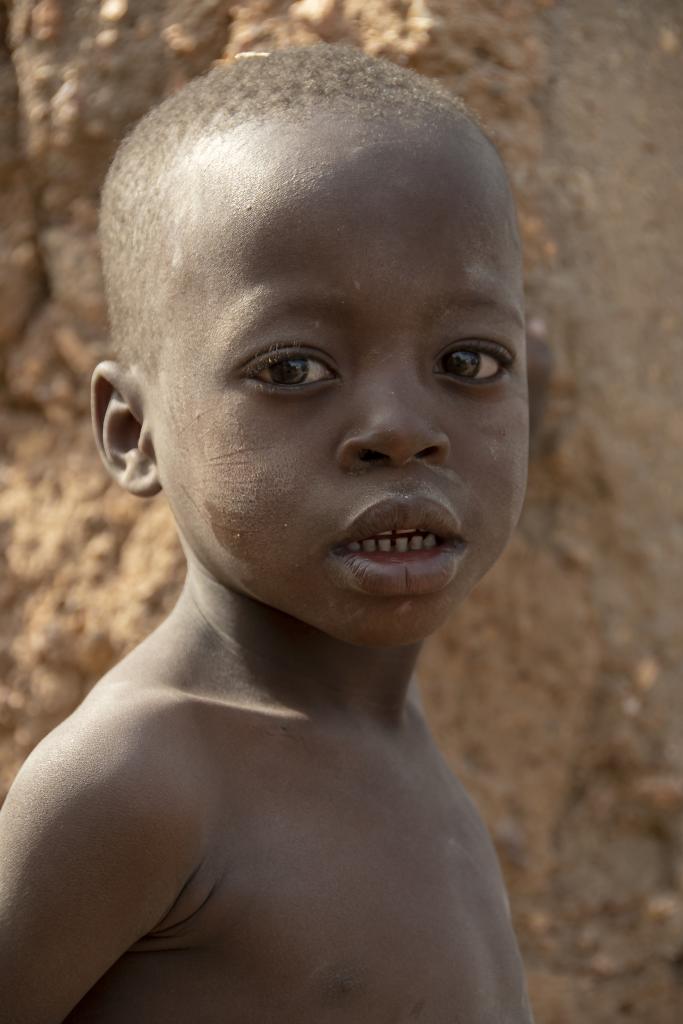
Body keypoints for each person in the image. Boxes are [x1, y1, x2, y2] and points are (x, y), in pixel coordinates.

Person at [0, 45, 534, 1023]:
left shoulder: (404, 759)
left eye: (467, 357)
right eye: (292, 369)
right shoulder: (138, 782)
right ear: (132, 431)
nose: (401, 427)